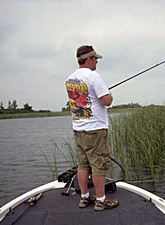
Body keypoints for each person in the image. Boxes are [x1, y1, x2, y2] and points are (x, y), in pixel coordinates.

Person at [65, 45, 119, 211]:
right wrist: (108, 92)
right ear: (88, 59)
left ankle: (84, 198)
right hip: (95, 129)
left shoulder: (70, 79)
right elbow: (107, 101)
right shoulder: (93, 76)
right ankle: (101, 200)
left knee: (83, 164)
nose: (97, 61)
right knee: (98, 164)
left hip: (79, 129)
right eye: (95, 58)